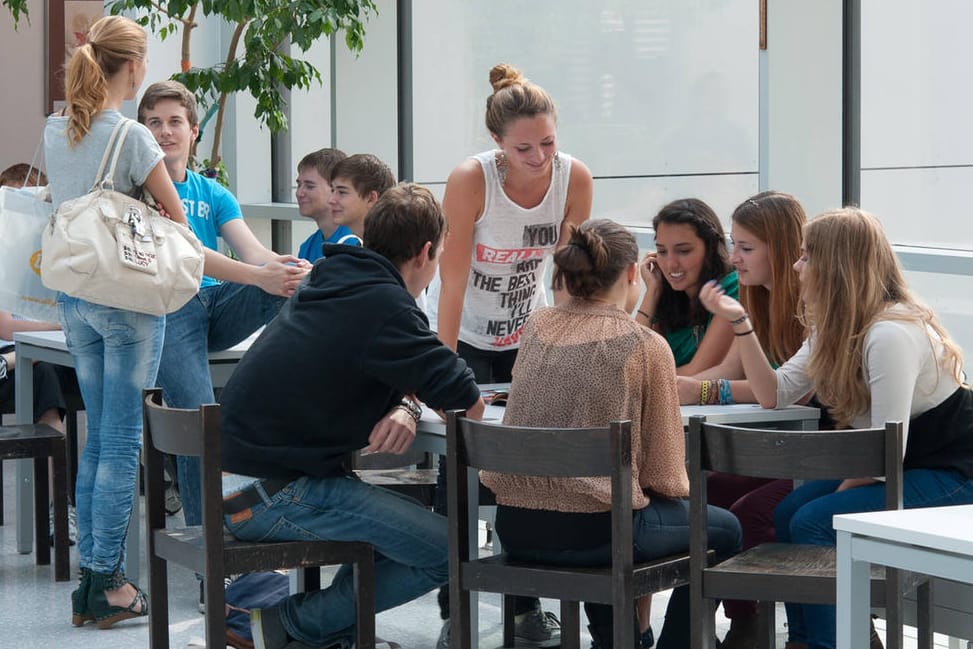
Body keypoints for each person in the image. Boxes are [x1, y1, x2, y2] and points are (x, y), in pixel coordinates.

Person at [219, 182, 486, 649]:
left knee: (391, 525)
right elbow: (468, 401)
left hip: (242, 486)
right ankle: (285, 625)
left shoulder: (332, 277)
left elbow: (377, 366)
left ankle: (335, 633)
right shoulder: (387, 307)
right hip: (277, 494)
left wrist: (406, 402)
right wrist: (414, 394)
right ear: (425, 252)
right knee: (453, 550)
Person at [698, 207, 973, 649]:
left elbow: (886, 449)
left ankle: (836, 643)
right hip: (898, 460)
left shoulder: (891, 334)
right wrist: (739, 323)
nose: (796, 266)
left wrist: (840, 492)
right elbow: (776, 392)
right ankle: (805, 640)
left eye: (807, 256)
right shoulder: (835, 325)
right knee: (786, 512)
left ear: (836, 266)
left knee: (812, 522)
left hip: (951, 470)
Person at [480, 219, 742, 649]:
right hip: (599, 534)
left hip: (518, 527)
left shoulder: (537, 328)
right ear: (631, 273)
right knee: (722, 528)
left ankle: (621, 641)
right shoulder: (643, 345)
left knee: (612, 508)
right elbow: (667, 477)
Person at [425, 63, 593, 646]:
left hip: (530, 338)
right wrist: (445, 370)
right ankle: (457, 607)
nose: (540, 156)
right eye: (524, 147)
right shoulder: (472, 180)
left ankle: (525, 606)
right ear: (497, 144)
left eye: (548, 142)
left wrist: (569, 350)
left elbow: (571, 282)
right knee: (462, 473)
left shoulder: (574, 179)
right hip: (465, 334)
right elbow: (450, 283)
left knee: (527, 474)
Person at [43, 15, 189, 629]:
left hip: (76, 297)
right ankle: (107, 582)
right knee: (121, 439)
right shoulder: (132, 136)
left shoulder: (58, 129)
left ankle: (90, 583)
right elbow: (177, 211)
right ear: (132, 67)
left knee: (97, 435)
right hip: (128, 301)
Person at [136, 80, 309, 548]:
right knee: (200, 419)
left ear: (193, 131)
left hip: (219, 306)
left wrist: (291, 267)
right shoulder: (139, 193)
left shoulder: (212, 192)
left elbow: (252, 252)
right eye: (154, 122)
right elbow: (185, 257)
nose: (165, 131)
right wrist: (260, 276)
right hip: (172, 309)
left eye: (175, 122)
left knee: (298, 276)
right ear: (142, 131)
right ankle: (209, 549)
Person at [675, 191, 808, 649]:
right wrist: (680, 385)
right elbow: (733, 372)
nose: (734, 258)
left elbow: (787, 391)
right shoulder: (753, 300)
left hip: (816, 454)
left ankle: (749, 627)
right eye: (734, 245)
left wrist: (701, 390)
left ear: (784, 248)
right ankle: (696, 631)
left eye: (747, 247)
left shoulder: (811, 308)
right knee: (701, 492)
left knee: (748, 513)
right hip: (779, 450)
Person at [636, 198, 737, 376]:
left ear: (711, 248)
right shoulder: (667, 296)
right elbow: (630, 362)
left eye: (683, 251)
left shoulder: (731, 287)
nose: (670, 264)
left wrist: (646, 382)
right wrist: (651, 293)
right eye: (662, 251)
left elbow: (699, 370)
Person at [295, 147, 359, 262]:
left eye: (310, 186)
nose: (299, 193)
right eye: (299, 185)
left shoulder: (355, 243)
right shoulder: (307, 246)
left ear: (334, 188)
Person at [328, 153, 396, 243]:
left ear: (371, 199)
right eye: (332, 190)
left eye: (342, 192)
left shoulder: (395, 250)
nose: (331, 200)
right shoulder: (361, 245)